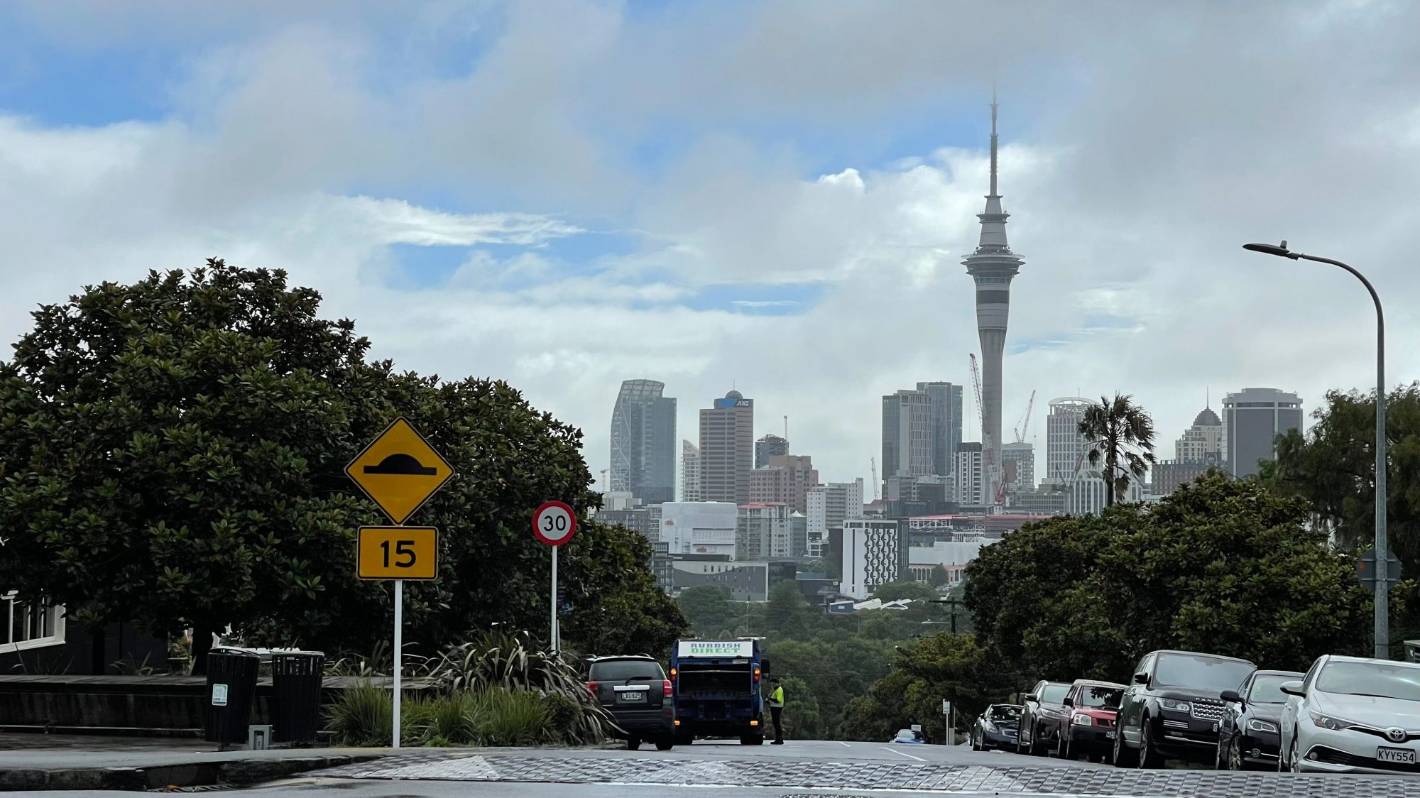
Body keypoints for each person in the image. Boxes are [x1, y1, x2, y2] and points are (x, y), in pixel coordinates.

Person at [768, 677, 785, 744]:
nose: (772, 685)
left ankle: (779, 739)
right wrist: (769, 700)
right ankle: (778, 739)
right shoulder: (775, 690)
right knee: (776, 724)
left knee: (777, 724)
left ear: (776, 683)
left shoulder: (779, 690)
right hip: (774, 707)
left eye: (773, 683)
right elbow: (773, 700)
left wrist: (770, 699)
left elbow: (778, 700)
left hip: (777, 708)